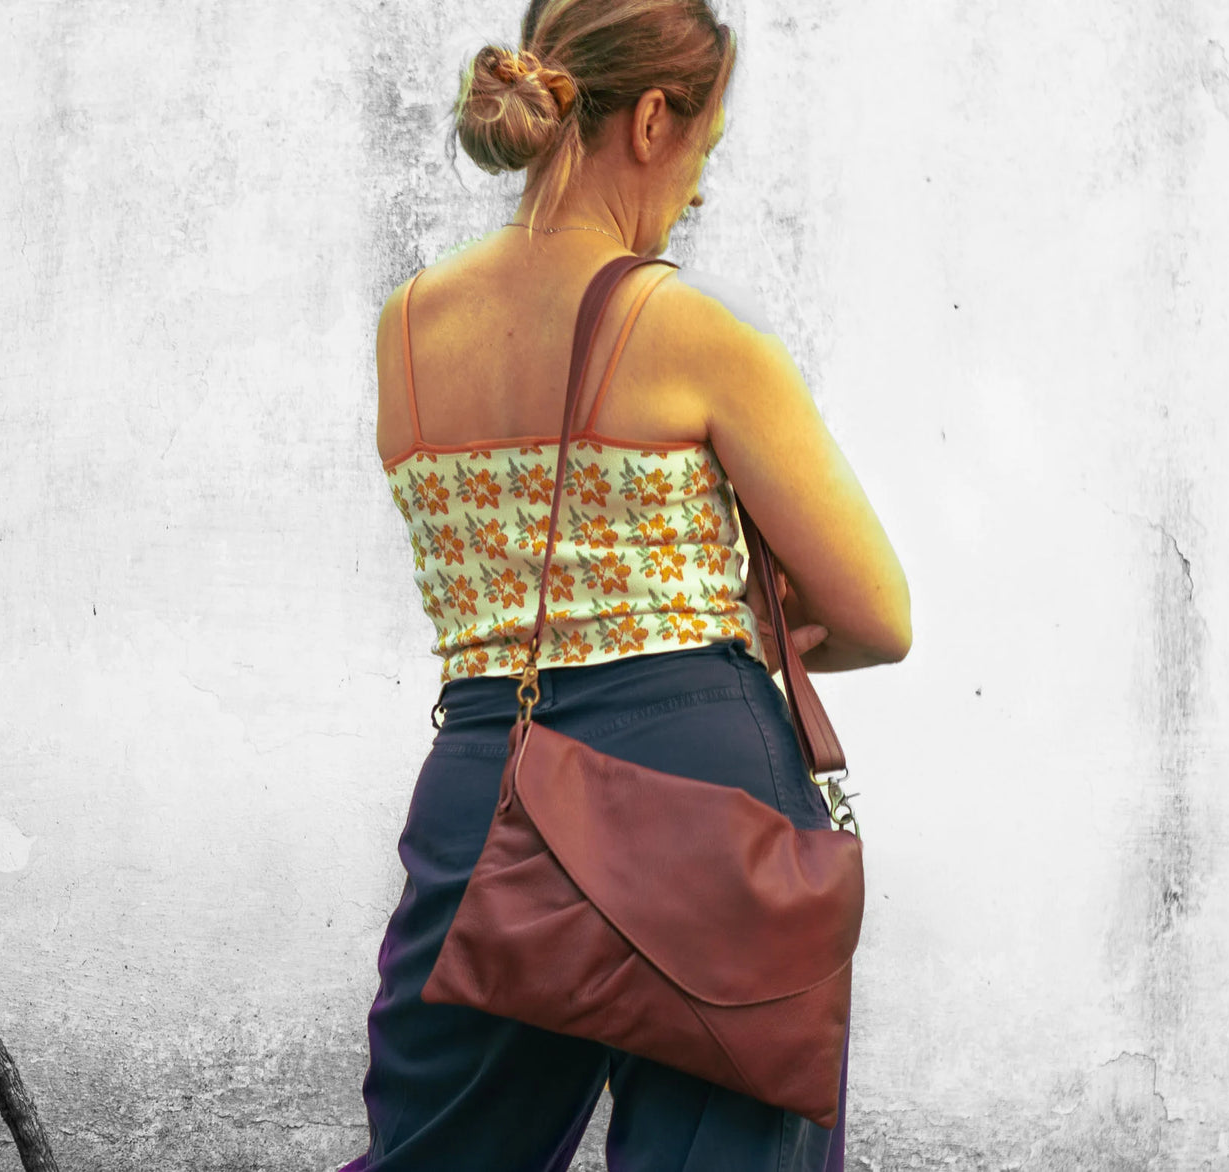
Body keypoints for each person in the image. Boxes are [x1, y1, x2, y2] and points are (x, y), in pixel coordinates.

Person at [337, 1, 912, 1169]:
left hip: (486, 791)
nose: (697, 186)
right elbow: (877, 615)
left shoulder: (406, 331)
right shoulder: (688, 330)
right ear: (653, 118)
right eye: (706, 145)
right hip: (707, 803)